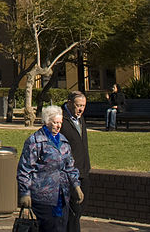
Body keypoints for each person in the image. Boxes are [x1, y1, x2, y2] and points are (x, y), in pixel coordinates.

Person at [17, 105, 83, 232]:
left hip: (62, 195)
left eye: (60, 123)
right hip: (43, 196)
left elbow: (70, 166)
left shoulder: (63, 141)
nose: (58, 126)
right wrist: (25, 193)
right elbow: (25, 169)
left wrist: (76, 185)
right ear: (47, 122)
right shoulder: (35, 141)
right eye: (55, 122)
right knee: (50, 227)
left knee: (61, 226)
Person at [60, 91, 90, 232]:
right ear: (69, 103)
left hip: (83, 170)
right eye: (78, 105)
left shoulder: (80, 119)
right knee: (73, 209)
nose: (81, 109)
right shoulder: (60, 119)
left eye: (83, 106)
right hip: (69, 172)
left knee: (80, 209)